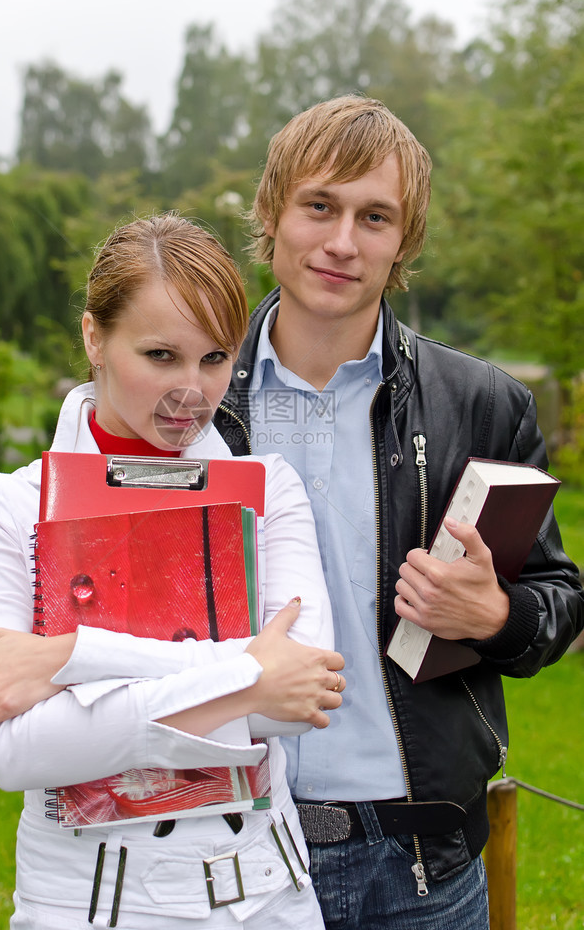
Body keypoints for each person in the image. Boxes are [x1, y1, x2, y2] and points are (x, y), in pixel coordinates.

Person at [212, 95, 584, 929]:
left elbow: (559, 602)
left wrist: (494, 614)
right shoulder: (190, 398)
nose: (343, 242)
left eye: (374, 217)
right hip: (220, 845)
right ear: (272, 213)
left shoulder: (484, 405)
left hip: (415, 867)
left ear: (404, 241)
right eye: (320, 206)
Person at [0, 213, 346, 930]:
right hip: (91, 904)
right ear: (93, 337)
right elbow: (18, 752)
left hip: (269, 898)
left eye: (215, 357)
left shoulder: (268, 487)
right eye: (161, 355)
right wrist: (247, 673)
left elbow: (301, 691)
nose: (192, 390)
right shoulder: (0, 509)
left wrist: (71, 660)